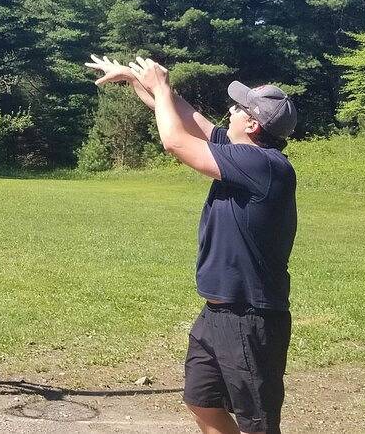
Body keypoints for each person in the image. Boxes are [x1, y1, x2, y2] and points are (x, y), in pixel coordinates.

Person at [86, 54, 298, 434]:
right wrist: (136, 80)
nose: (229, 111)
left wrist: (163, 87)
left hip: (249, 317)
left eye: (237, 108)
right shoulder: (242, 153)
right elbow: (186, 117)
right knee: (201, 401)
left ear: (251, 124)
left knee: (258, 425)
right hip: (217, 312)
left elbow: (175, 140)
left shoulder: (264, 165)